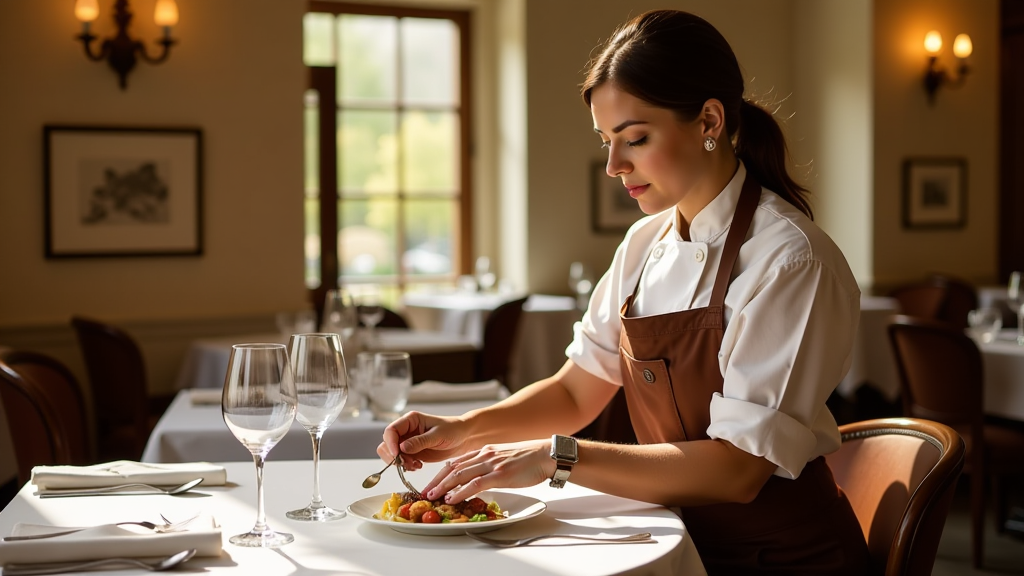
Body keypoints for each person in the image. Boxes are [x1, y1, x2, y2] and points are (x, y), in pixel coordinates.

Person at [378, 9, 870, 574]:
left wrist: (557, 457)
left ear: (709, 121)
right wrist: (461, 430)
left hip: (779, 558)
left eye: (635, 138)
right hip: (675, 536)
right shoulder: (643, 243)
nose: (613, 165)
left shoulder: (789, 260)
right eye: (606, 140)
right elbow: (573, 393)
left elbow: (737, 472)